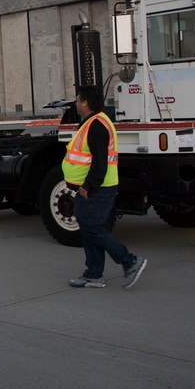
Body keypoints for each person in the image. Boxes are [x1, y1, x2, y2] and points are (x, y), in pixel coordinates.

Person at [64, 85, 146, 289]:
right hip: (97, 187)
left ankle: (129, 261)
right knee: (90, 227)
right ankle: (93, 274)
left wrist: (88, 185)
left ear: (85, 103)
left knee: (92, 227)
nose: (76, 104)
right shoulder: (95, 122)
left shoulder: (96, 125)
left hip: (97, 189)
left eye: (77, 100)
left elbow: (100, 162)